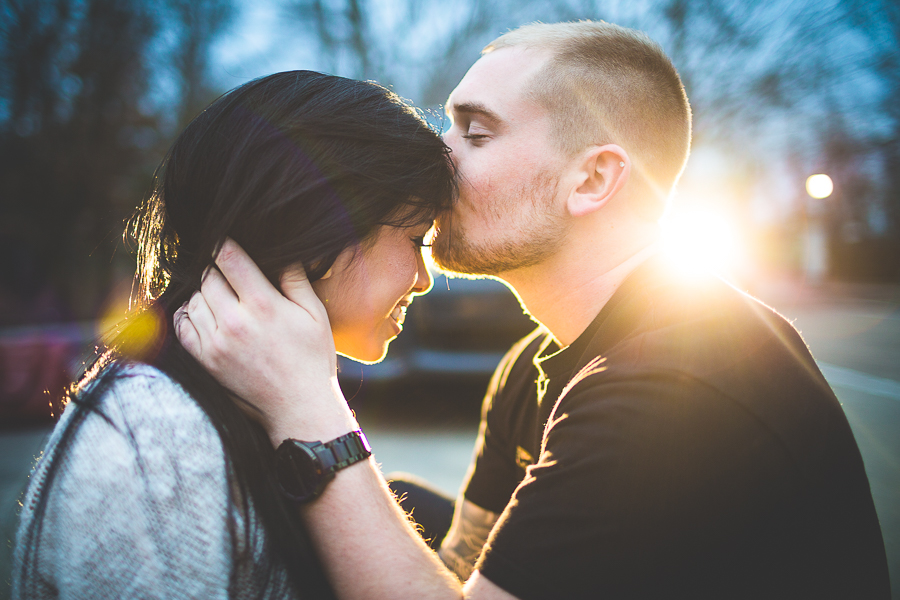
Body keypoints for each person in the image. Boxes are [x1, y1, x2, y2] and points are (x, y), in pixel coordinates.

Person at [175, 21, 891, 600]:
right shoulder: (532, 367)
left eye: (475, 133)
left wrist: (308, 409)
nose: (435, 154)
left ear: (592, 179)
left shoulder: (676, 383)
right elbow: (460, 570)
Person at [11, 70, 456, 599]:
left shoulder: (231, 396)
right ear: (323, 224)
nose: (425, 280)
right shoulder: (159, 441)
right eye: (417, 240)